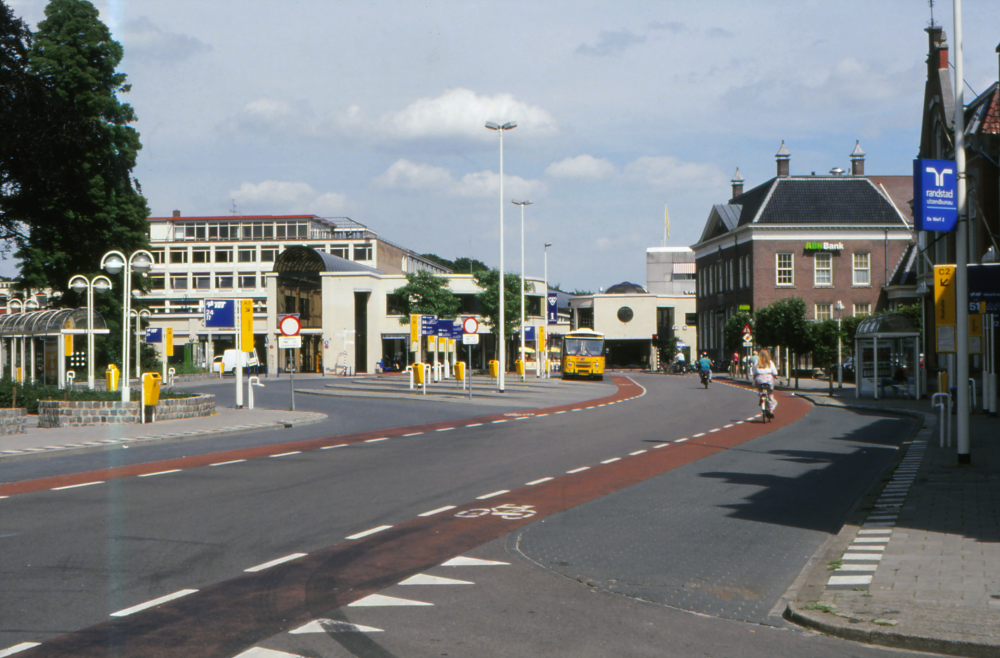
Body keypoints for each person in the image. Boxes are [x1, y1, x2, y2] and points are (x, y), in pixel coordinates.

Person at [752, 348, 778, 416]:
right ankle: (771, 410)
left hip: (759, 379)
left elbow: (754, 372)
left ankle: (761, 398)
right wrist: (775, 376)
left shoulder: (757, 362)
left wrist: (754, 377)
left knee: (761, 391)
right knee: (770, 394)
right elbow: (775, 372)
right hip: (769, 379)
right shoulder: (770, 362)